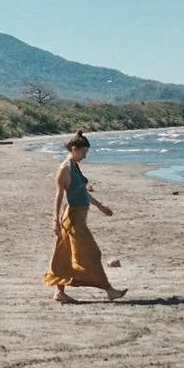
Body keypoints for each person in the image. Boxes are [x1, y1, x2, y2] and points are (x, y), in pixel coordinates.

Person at [44, 130, 127, 303]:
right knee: (92, 253)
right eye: (83, 153)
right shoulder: (64, 169)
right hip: (72, 216)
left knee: (65, 253)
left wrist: (100, 206)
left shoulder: (74, 165)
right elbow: (59, 195)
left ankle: (60, 292)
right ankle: (109, 290)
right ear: (74, 149)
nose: (84, 157)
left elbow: (81, 190)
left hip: (80, 215)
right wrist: (55, 220)